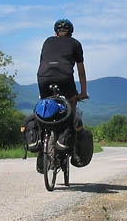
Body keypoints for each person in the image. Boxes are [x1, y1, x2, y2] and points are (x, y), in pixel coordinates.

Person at [36, 18, 88, 150]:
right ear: (71, 33)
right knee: (72, 103)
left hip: (43, 76)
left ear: (55, 33)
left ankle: (43, 142)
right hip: (64, 77)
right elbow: (81, 71)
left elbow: (43, 62)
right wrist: (82, 93)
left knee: (45, 105)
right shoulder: (75, 44)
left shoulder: (47, 41)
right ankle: (68, 135)